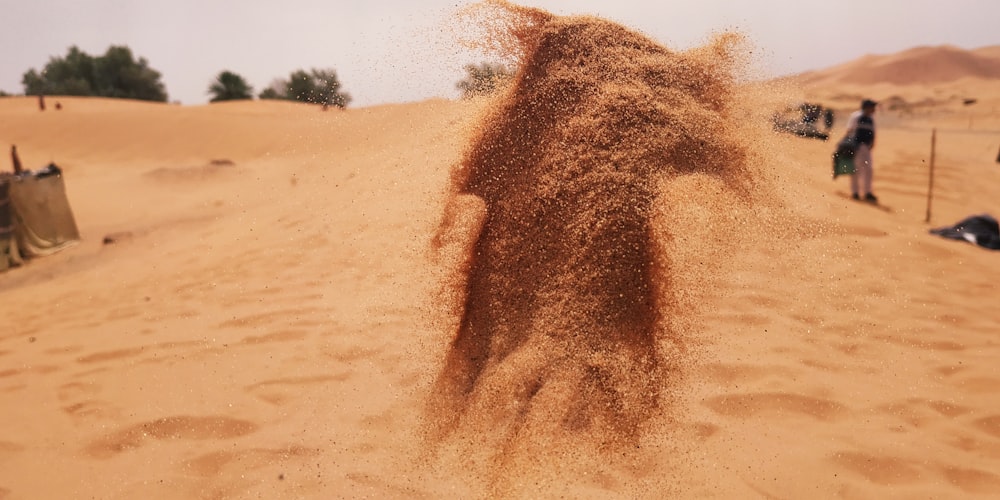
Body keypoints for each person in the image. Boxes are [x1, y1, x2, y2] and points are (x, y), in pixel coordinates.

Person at [845, 99, 878, 202]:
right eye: (872, 107)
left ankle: (867, 192)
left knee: (868, 170)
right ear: (866, 107)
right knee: (856, 169)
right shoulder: (856, 116)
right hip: (856, 147)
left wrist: (872, 143)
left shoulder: (871, 118)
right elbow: (849, 131)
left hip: (866, 148)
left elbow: (872, 132)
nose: (874, 109)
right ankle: (855, 192)